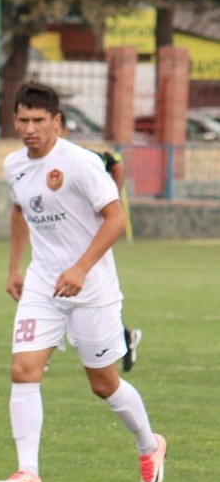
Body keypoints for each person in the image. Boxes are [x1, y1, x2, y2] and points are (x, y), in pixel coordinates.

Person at [0, 83, 166, 482]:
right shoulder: (15, 164)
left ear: (56, 121)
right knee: (23, 369)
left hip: (92, 290)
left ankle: (150, 445)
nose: (30, 128)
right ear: (14, 120)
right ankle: (28, 472)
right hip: (43, 285)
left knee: (103, 384)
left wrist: (81, 269)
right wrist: (15, 267)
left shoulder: (81, 163)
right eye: (23, 120)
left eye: (38, 120)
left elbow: (115, 219)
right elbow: (19, 211)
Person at [56, 112, 143, 372]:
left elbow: (116, 161)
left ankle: (123, 336)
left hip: (89, 238)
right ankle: (39, 349)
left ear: (63, 130)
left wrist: (112, 193)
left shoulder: (85, 158)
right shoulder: (36, 164)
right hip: (62, 240)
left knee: (91, 295)